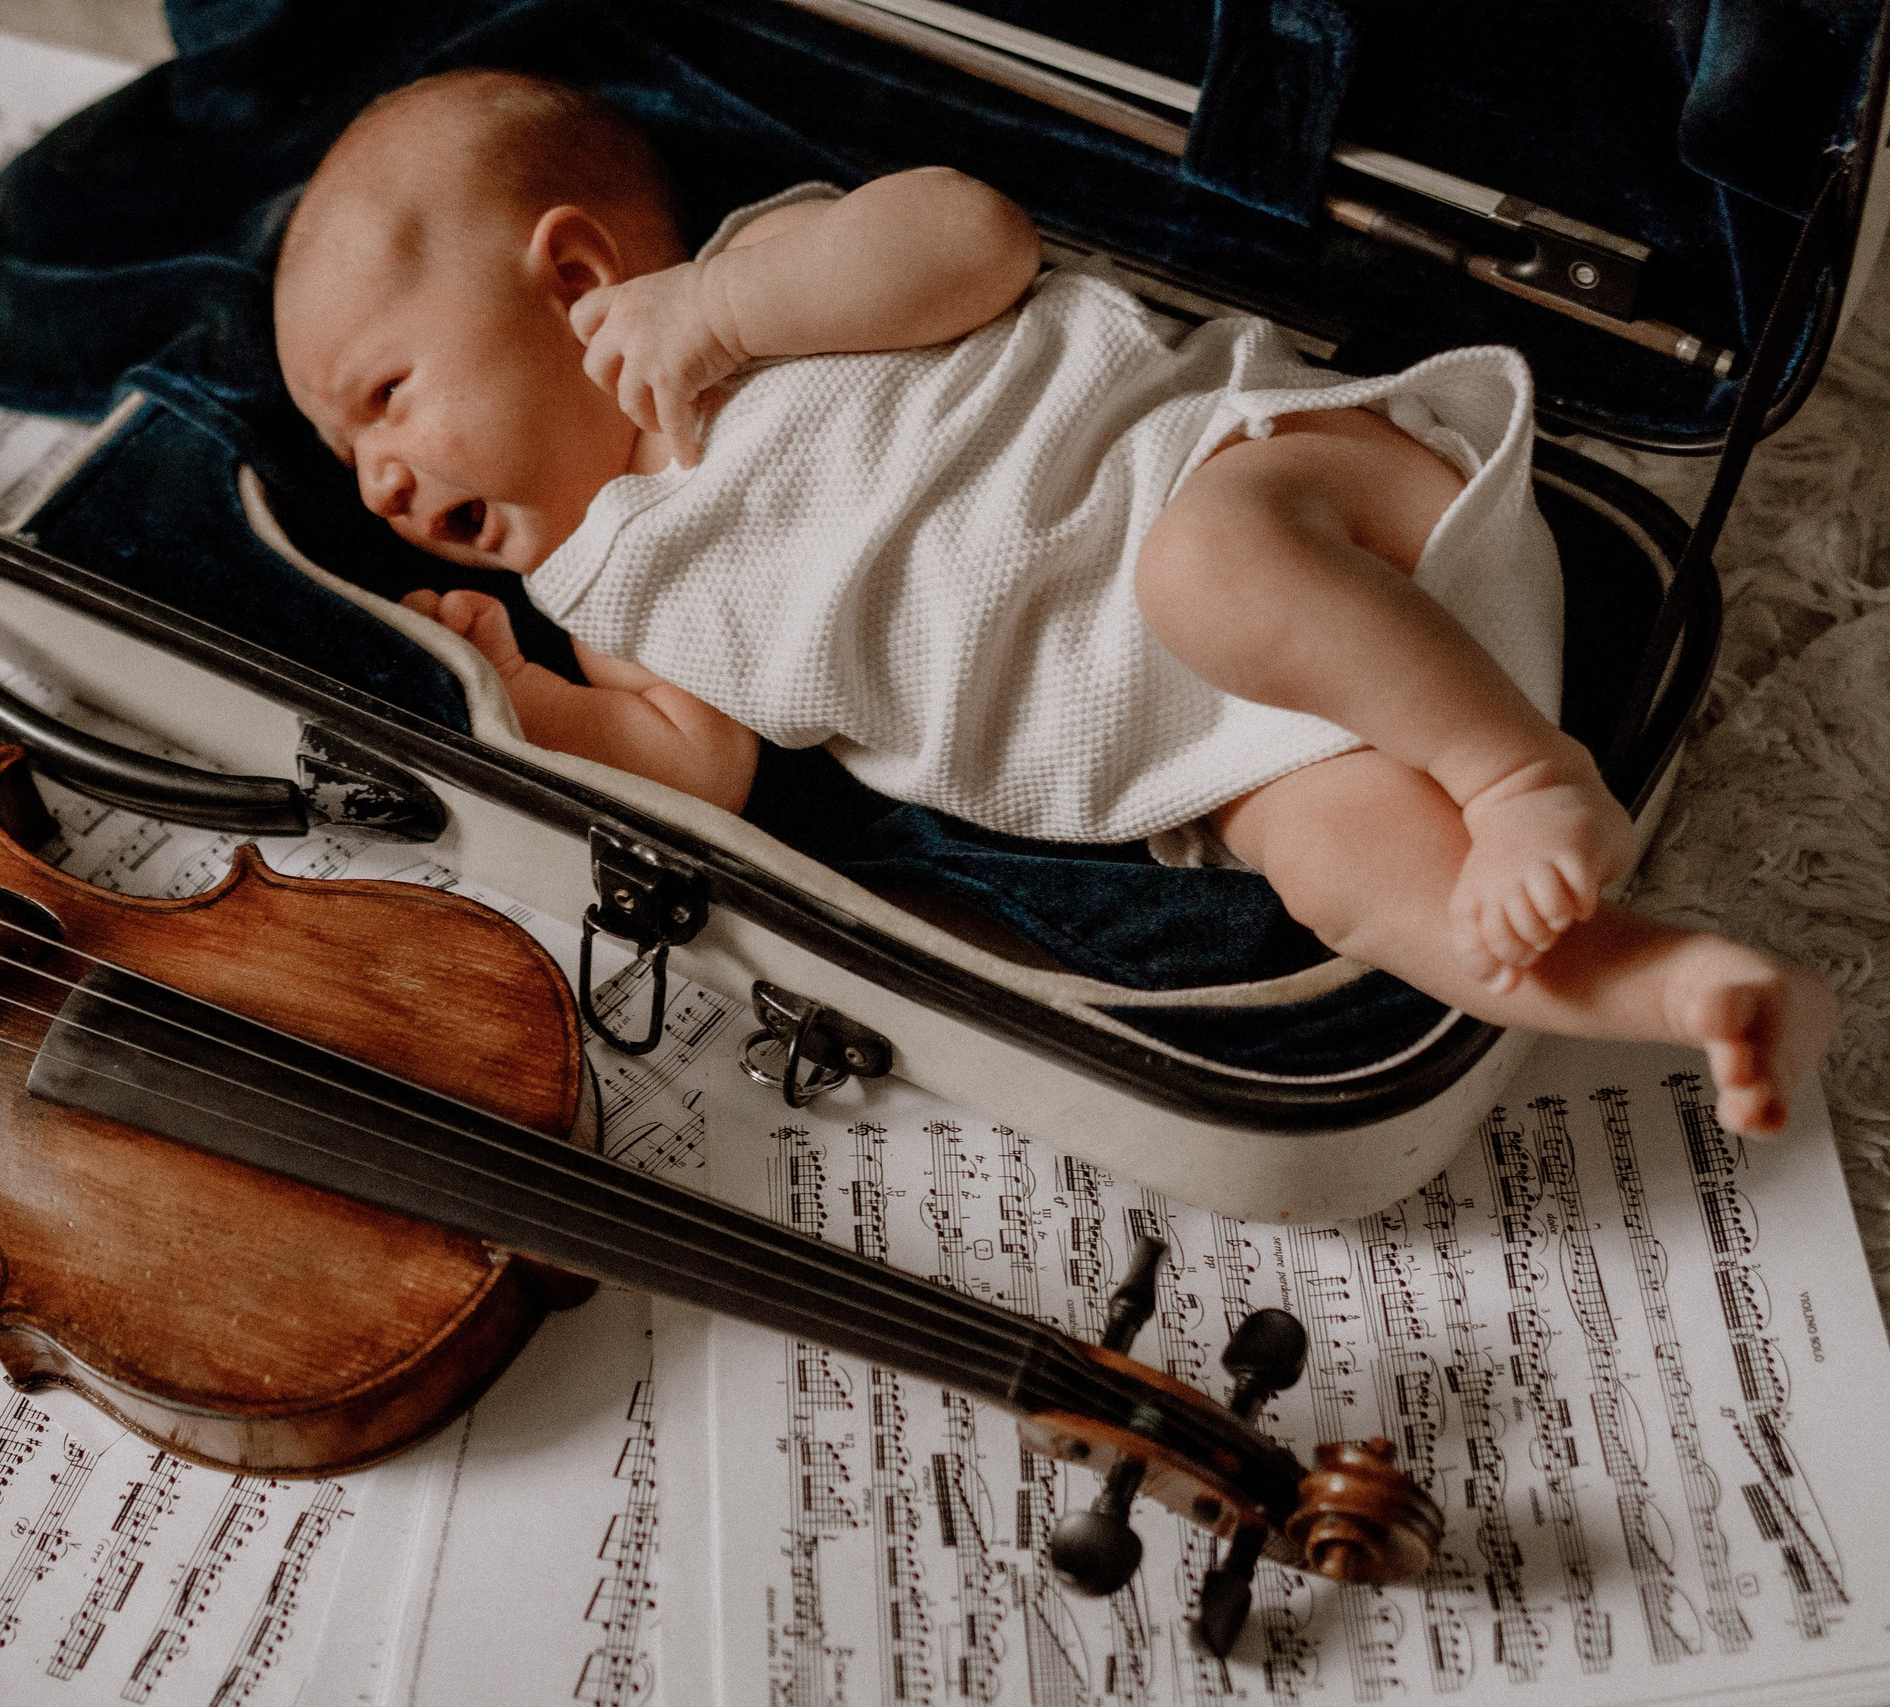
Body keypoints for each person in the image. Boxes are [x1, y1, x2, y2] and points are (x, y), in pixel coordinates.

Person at [270, 69, 1834, 1134]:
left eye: (385, 396)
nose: (378, 480)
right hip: (1235, 748)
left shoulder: (760, 284)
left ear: (571, 277)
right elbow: (697, 770)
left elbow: (975, 243)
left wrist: (727, 306)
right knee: (1348, 885)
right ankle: (1676, 985)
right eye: (349, 460)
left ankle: (1523, 778)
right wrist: (518, 695)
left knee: (1207, 569)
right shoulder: (604, 598)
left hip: (1279, 494)